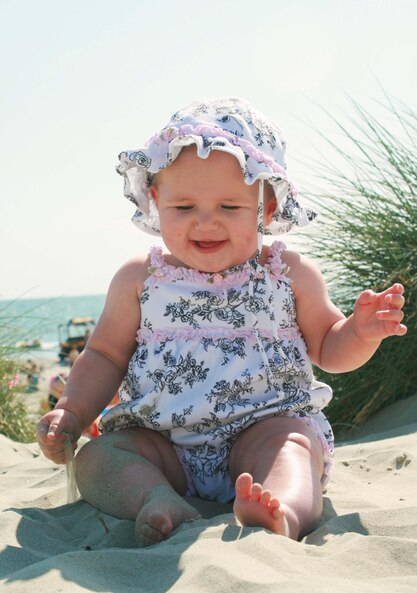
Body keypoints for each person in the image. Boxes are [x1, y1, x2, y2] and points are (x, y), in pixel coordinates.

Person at [36, 98, 407, 546]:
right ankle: (154, 498)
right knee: (101, 457)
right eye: (184, 207)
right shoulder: (141, 278)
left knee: (293, 445)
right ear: (156, 201)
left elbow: (329, 347)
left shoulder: (287, 273)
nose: (206, 222)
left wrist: (360, 332)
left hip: (260, 431)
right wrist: (73, 411)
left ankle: (282, 510)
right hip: (162, 443)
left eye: (230, 207)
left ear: (267, 208)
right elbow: (104, 355)